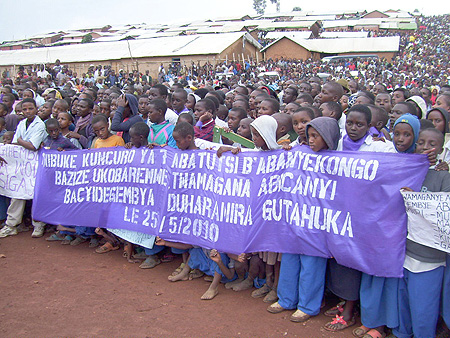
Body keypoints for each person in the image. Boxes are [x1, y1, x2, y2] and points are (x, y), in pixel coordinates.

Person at [268, 117, 340, 324]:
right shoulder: (298, 153)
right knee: (290, 261)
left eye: (316, 136)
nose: (311, 140)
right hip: (295, 218)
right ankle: (286, 299)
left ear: (329, 138)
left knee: (312, 266)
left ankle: (307, 306)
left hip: (318, 224)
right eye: (309, 136)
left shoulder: (338, 160)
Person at [392, 127, 449, 338]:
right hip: (404, 250)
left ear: (441, 149)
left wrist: (416, 199)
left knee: (423, 307)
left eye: (432, 144)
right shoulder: (408, 170)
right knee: (403, 303)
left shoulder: (444, 176)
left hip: (429, 257)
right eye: (422, 142)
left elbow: (443, 213)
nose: (426, 147)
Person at [0, 98, 47, 238]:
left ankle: (38, 224)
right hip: (22, 165)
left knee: (37, 194)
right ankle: (11, 225)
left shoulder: (40, 125)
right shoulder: (21, 123)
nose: (27, 112)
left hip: (36, 164)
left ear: (36, 108)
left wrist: (21, 141)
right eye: (24, 109)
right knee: (18, 193)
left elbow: (33, 146)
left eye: (30, 108)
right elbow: (15, 144)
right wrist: (21, 142)